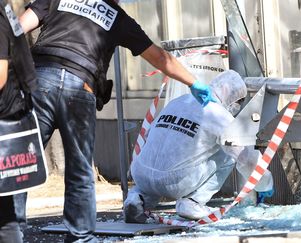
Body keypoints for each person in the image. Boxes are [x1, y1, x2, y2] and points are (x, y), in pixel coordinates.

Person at [18, 0, 215, 242]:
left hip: (40, 82)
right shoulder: (118, 18)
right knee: (80, 169)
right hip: (81, 87)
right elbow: (159, 57)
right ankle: (81, 237)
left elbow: (18, 27)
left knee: (19, 162)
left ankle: (9, 231)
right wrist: (193, 82)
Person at [124, 70, 274, 222]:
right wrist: (264, 183)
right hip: (176, 182)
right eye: (239, 102)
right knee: (228, 148)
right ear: (230, 95)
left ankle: (137, 199)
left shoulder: (179, 101)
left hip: (141, 173)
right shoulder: (219, 114)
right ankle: (192, 203)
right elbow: (246, 157)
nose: (237, 107)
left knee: (157, 168)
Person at [0, 1, 37, 242]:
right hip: (10, 110)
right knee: (5, 215)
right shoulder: (5, 11)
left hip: (4, 114)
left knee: (5, 218)